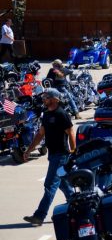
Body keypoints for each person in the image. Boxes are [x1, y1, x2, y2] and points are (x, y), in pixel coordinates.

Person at [23, 89, 75, 226]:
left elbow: (71, 133)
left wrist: (73, 151)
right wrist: (29, 150)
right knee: (64, 185)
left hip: (61, 155)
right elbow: (40, 134)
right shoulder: (46, 115)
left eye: (47, 97)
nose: (44, 99)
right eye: (44, 97)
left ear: (55, 99)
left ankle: (39, 216)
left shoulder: (62, 114)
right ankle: (77, 207)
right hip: (53, 155)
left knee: (50, 185)